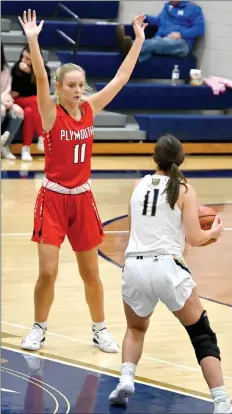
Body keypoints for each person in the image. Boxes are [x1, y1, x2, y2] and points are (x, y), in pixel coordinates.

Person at [18, 9, 147, 354]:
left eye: (80, 85)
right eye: (71, 86)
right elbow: (41, 81)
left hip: (83, 199)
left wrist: (138, 41)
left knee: (92, 273)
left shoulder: (89, 109)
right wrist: (33, 39)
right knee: (48, 272)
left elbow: (120, 79)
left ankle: (99, 329)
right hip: (53, 199)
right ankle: (39, 328)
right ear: (60, 88)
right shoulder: (50, 113)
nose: (77, 90)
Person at [109, 135, 232, 414]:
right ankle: (222, 402)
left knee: (136, 328)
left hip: (134, 266)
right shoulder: (185, 189)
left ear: (155, 158)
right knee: (202, 335)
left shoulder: (137, 186)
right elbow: (194, 238)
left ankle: (126, 379)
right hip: (166, 267)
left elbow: (132, 234)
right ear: (182, 159)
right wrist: (214, 232)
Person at [117, 1, 204, 62]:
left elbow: (199, 29)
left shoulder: (193, 8)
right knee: (154, 44)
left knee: (156, 42)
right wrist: (144, 17)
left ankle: (130, 46)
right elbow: (159, 21)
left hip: (182, 44)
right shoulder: (168, 7)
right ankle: (131, 55)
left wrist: (181, 34)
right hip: (162, 39)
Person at [11, 45, 51, 161]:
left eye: (28, 59)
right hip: (19, 101)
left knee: (29, 112)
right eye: (23, 57)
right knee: (34, 100)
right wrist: (25, 75)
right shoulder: (16, 68)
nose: (23, 60)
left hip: (35, 104)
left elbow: (44, 91)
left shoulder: (44, 70)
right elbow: (16, 92)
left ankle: (26, 149)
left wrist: (31, 73)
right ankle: (42, 137)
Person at [1, 42, 24, 159]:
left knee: (18, 111)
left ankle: (4, 146)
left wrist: (7, 98)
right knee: (1, 109)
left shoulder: (5, 69)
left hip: (3, 100)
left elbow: (7, 89)